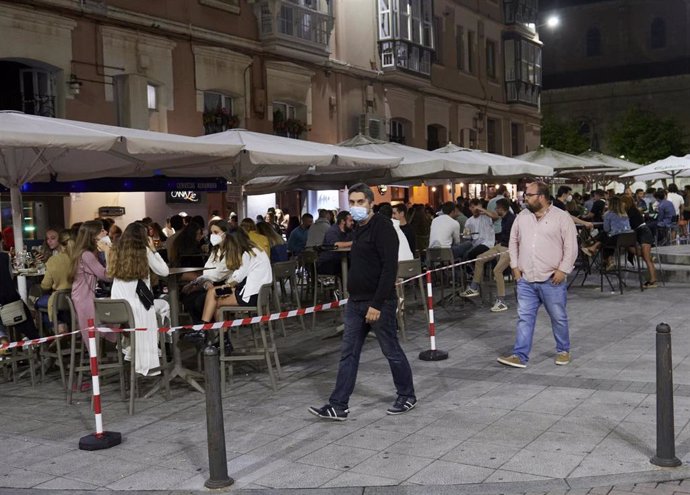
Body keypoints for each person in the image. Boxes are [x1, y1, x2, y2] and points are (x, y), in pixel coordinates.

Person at [309, 183, 415, 421]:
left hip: (378, 302)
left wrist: (377, 304)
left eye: (360, 202)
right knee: (349, 353)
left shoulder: (383, 228)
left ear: (371, 203)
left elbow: (389, 268)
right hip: (356, 302)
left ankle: (407, 395)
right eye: (352, 203)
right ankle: (338, 405)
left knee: (391, 351)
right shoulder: (358, 228)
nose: (356, 207)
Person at [497, 181, 578, 369]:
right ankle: (519, 355)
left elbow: (571, 247)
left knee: (558, 316)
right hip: (526, 279)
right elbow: (513, 241)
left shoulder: (561, 217)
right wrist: (515, 267)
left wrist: (563, 270)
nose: (525, 198)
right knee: (524, 317)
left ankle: (563, 350)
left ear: (541, 196)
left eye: (529, 195)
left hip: (552, 279)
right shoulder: (522, 217)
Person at [108, 222, 169, 375]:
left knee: (156, 306)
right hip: (138, 309)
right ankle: (164, 346)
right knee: (164, 305)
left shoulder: (116, 250)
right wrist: (154, 250)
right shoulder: (145, 251)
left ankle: (131, 349)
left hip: (118, 308)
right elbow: (164, 271)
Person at [200, 229, 273, 322]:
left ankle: (209, 331)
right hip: (258, 293)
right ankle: (209, 331)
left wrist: (228, 284)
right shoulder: (256, 249)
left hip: (250, 296)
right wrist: (229, 284)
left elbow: (238, 277)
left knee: (215, 302)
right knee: (213, 292)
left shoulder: (246, 254)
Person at [460, 198, 515, 312]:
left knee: (497, 270)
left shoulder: (511, 219)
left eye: (496, 208)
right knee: (479, 259)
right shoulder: (504, 217)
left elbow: (515, 237)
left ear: (501, 208)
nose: (495, 210)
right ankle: (474, 287)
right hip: (501, 245)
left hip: (509, 248)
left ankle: (501, 301)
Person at [181, 220, 232, 323]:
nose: (212, 235)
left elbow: (218, 274)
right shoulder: (215, 250)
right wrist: (196, 283)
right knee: (188, 297)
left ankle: (207, 330)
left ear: (225, 234)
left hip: (225, 286)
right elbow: (207, 271)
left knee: (199, 301)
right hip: (210, 284)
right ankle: (202, 331)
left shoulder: (231, 251)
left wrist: (202, 281)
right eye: (211, 233)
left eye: (216, 232)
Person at [69, 220, 113, 341]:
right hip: (84, 298)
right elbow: (107, 276)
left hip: (85, 295)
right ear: (93, 235)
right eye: (102, 230)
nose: (106, 232)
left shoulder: (88, 253)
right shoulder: (86, 255)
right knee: (92, 334)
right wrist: (108, 251)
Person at [581, 196, 632, 271]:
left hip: (617, 239)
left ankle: (594, 249)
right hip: (629, 238)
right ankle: (606, 259)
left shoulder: (609, 214)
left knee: (604, 235)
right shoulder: (624, 214)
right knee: (605, 239)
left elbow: (606, 229)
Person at [38, 229, 74, 333]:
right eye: (47, 239)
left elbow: (45, 286)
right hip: (73, 295)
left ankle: (58, 327)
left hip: (59, 297)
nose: (49, 241)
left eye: (53, 238)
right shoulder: (75, 256)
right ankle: (61, 328)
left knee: (38, 303)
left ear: (61, 240)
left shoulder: (53, 260)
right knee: (52, 304)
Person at [0, 250, 39, 341]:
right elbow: (10, 276)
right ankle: (33, 340)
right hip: (11, 301)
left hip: (5, 305)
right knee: (25, 315)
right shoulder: (5, 257)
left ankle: (3, 337)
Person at [620, 195, 658, 288]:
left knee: (646, 258)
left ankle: (653, 280)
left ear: (626, 203)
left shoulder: (632, 210)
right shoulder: (631, 210)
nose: (620, 204)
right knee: (628, 246)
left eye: (622, 203)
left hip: (644, 232)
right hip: (638, 233)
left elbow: (627, 222)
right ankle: (648, 256)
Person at [317, 210, 354, 276]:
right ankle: (345, 285)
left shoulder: (349, 232)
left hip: (340, 260)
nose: (353, 223)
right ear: (343, 221)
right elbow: (336, 244)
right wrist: (353, 242)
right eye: (350, 221)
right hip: (327, 263)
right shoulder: (332, 231)